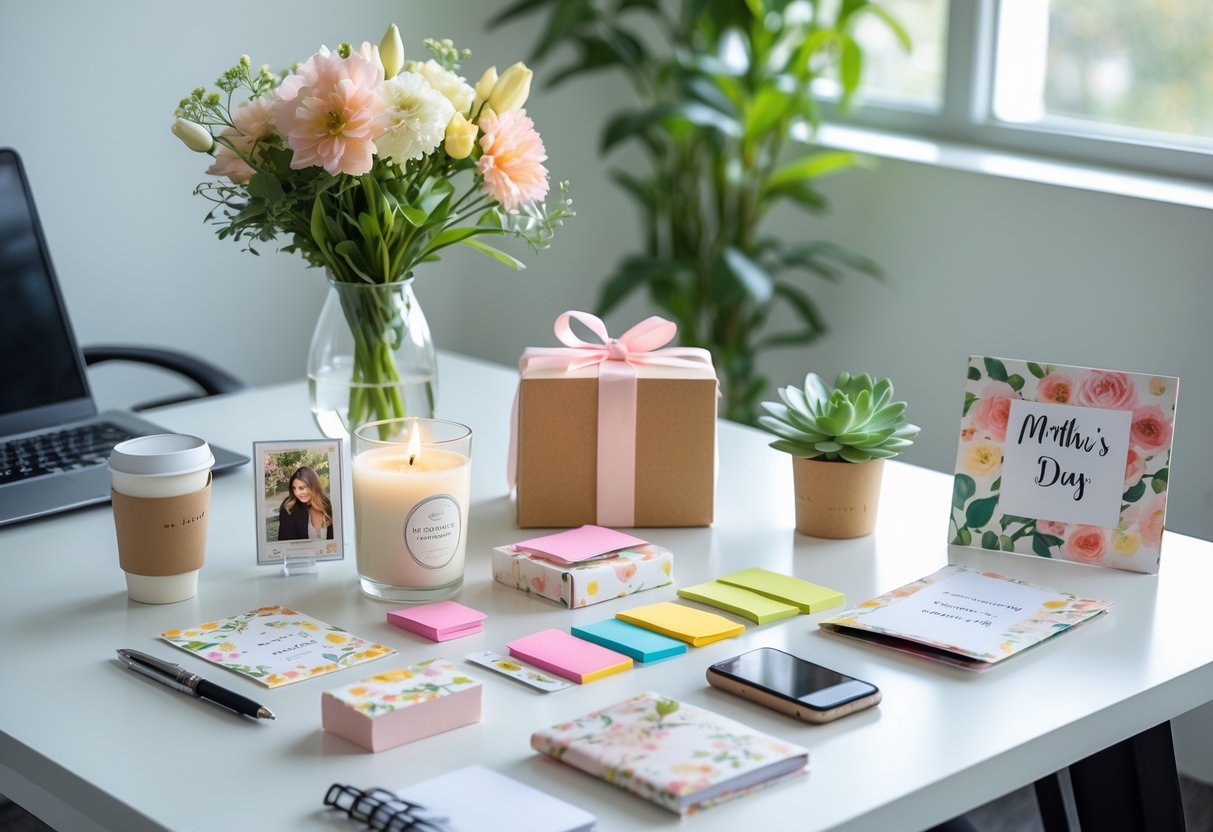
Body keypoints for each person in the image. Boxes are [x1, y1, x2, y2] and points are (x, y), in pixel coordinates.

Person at [276, 466, 334, 541]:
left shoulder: (326, 504)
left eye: (301, 488)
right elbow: (285, 544)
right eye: (294, 488)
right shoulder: (289, 508)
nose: (297, 493)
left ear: (313, 486)